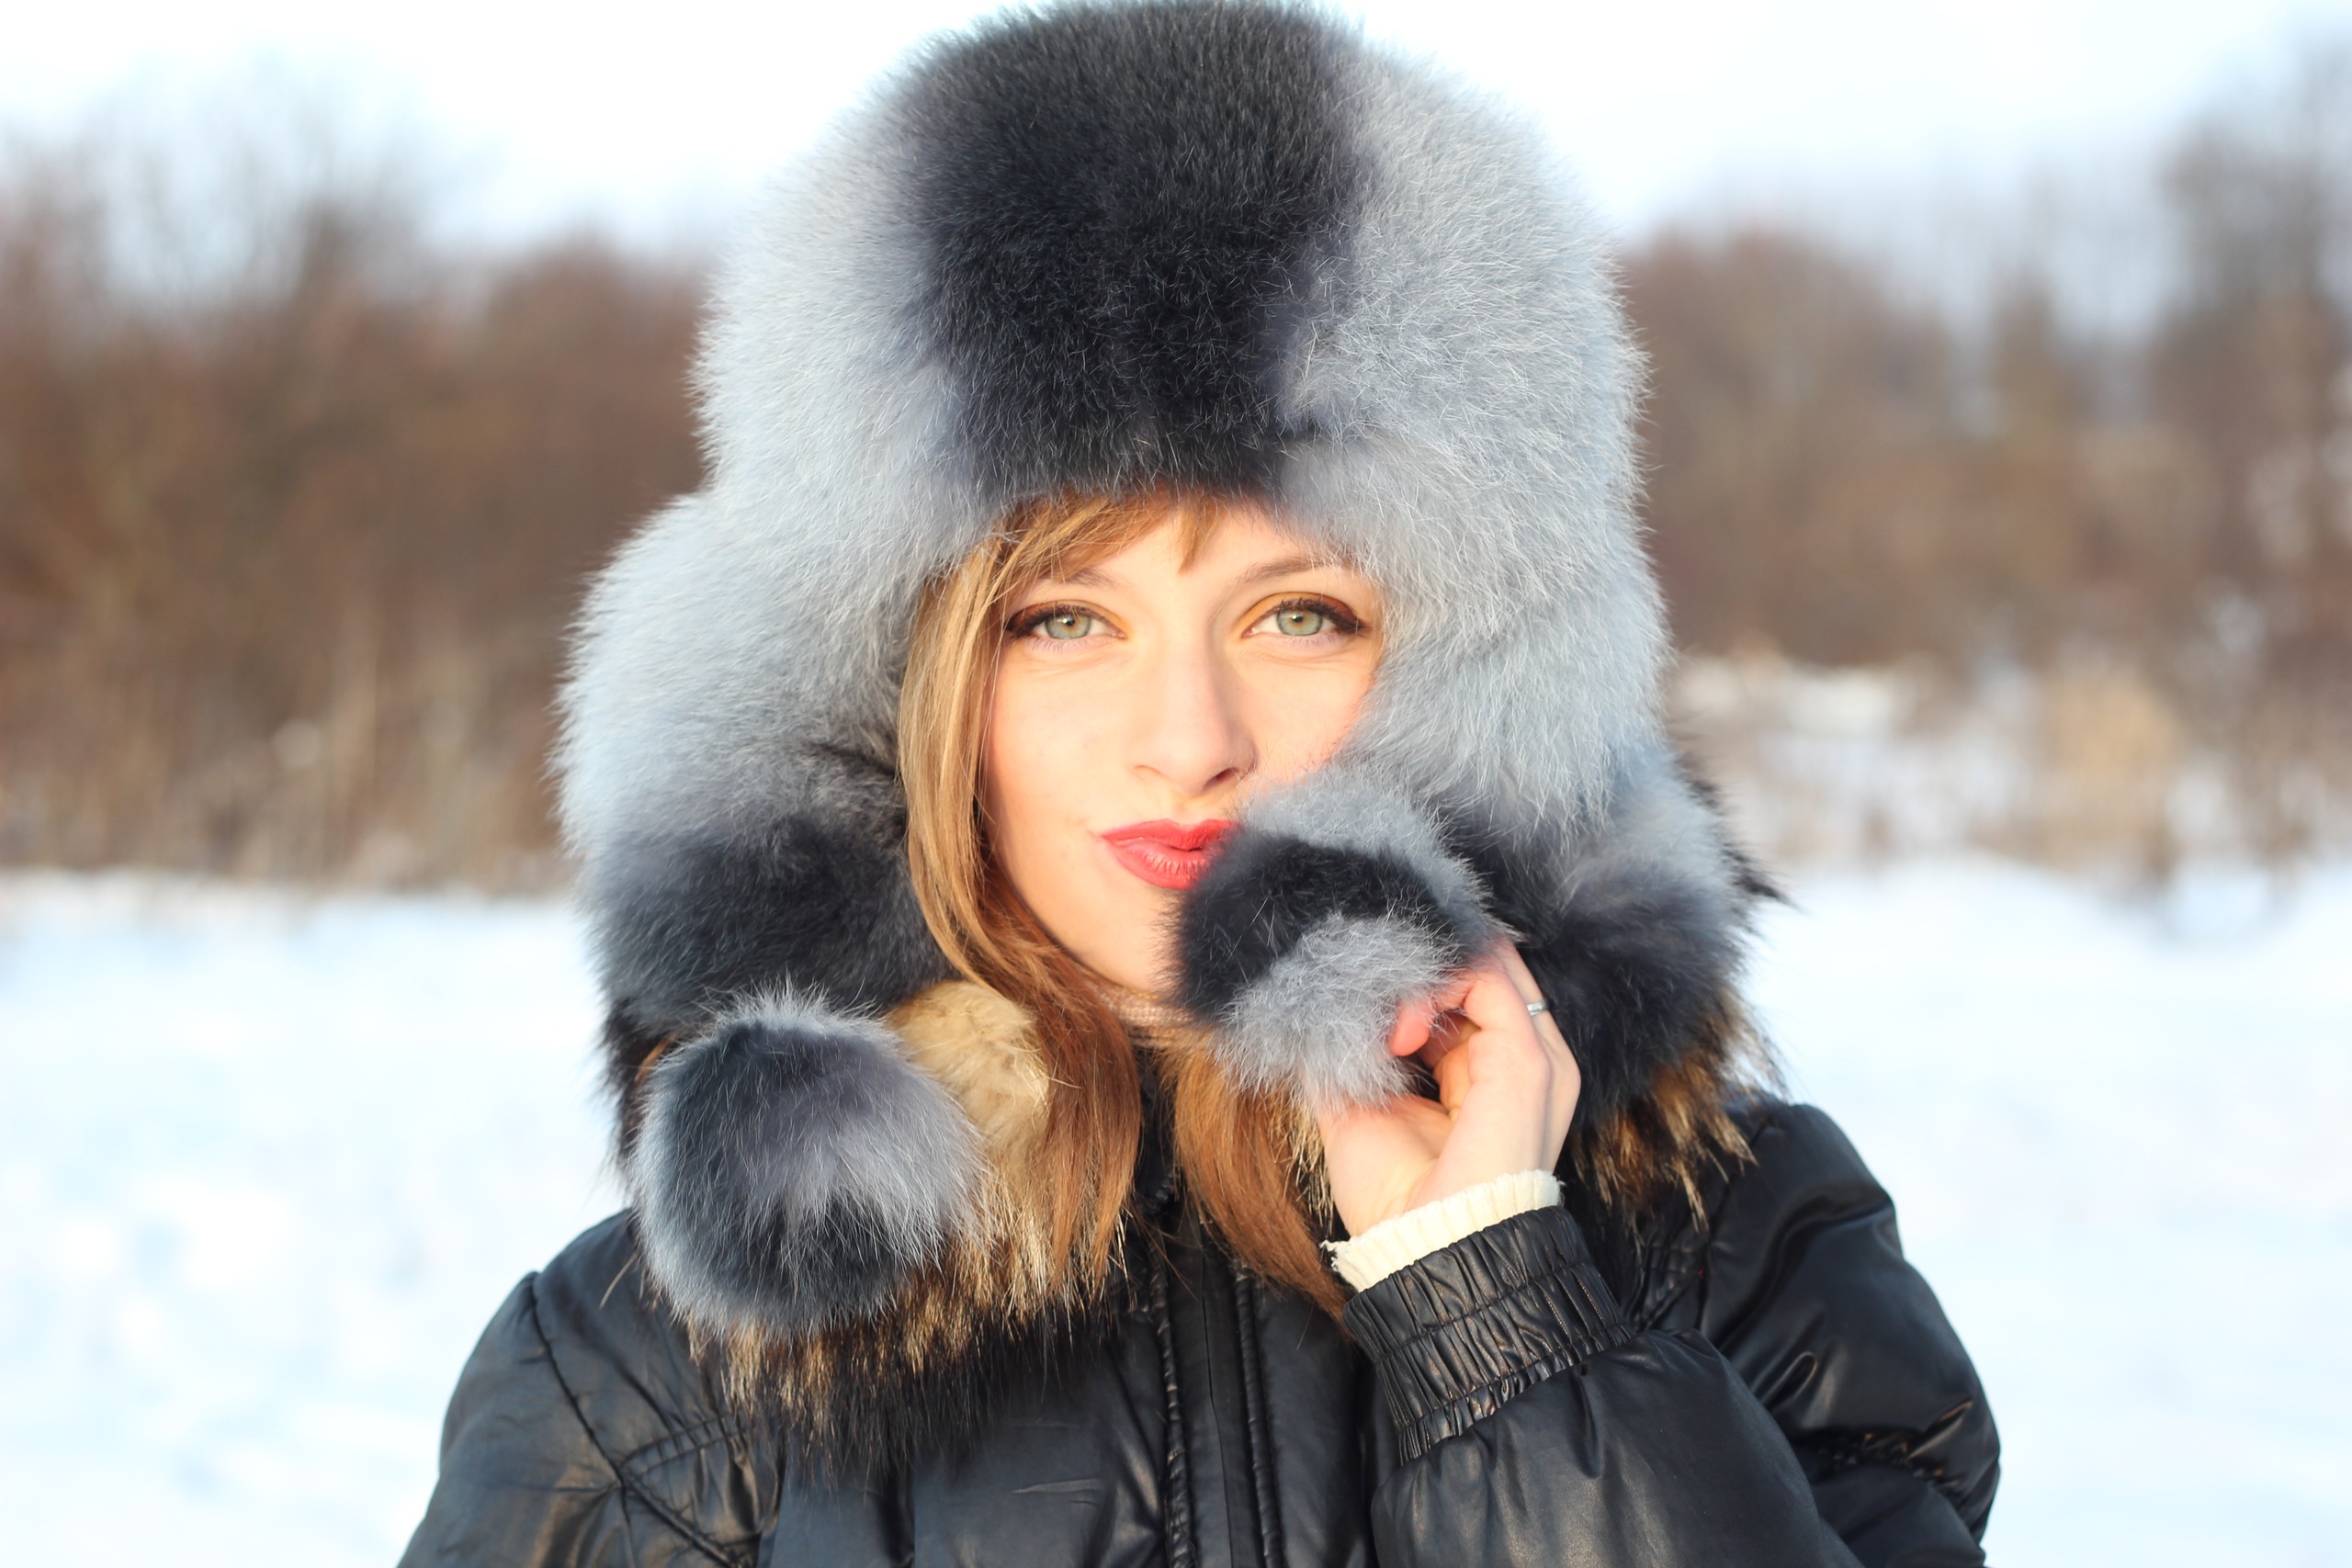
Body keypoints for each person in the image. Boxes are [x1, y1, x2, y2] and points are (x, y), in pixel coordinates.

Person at [401, 3, 1998, 1563]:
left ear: (1466, 676)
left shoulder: (1740, 1256)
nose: (1188, 739)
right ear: (898, 694)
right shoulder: (646, 1392)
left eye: (1300, 616)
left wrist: (1501, 1308)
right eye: (1063, 620)